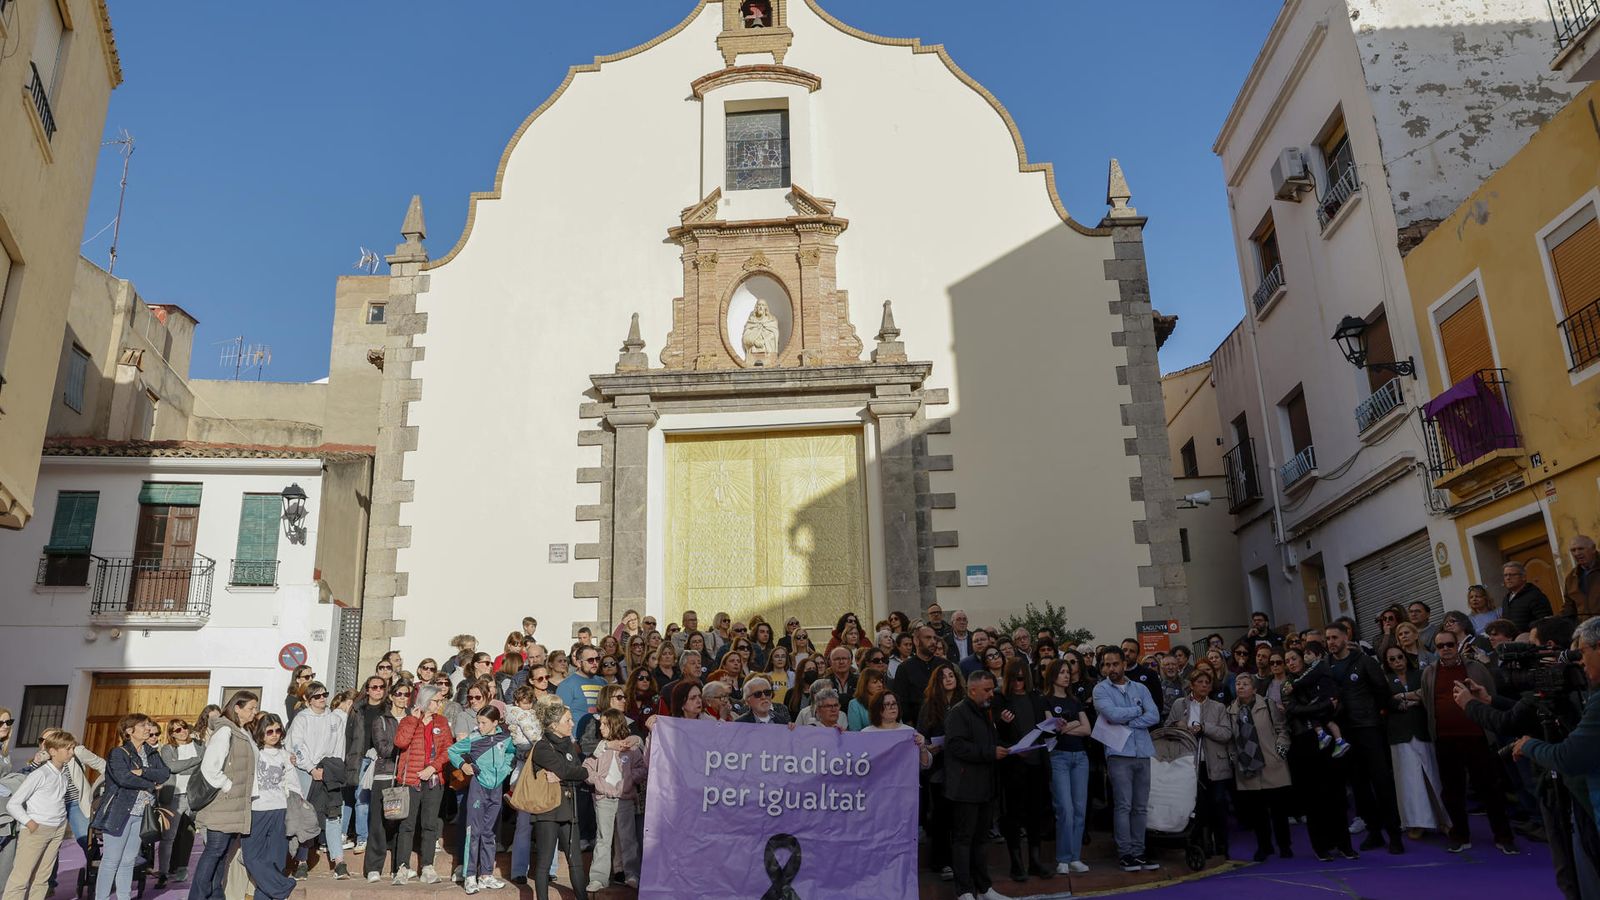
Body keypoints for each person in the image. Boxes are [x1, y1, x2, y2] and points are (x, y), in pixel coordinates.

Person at [1421, 630, 1516, 853]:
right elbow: (1428, 700)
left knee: (1490, 789)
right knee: (1452, 792)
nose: (1446, 649)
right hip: (1445, 740)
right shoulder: (1429, 672)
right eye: (1441, 646)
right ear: (1436, 649)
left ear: (1458, 645)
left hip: (1478, 738)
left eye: (1450, 644)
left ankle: (1504, 836)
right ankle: (1460, 835)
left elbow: (1489, 696)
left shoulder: (1476, 668)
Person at [1324, 622, 1404, 854]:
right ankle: (1374, 831)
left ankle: (1394, 834)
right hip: (1343, 731)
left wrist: (1376, 714)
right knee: (1359, 786)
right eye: (1328, 638)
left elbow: (1382, 690)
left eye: (1334, 637)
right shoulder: (1325, 666)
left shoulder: (1364, 661)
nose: (1331, 642)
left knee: (1381, 782)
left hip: (1368, 727)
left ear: (1345, 637)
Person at [1281, 647, 1355, 861]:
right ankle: (1321, 846)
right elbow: (1293, 710)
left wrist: (1323, 708)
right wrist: (1322, 707)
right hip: (1305, 743)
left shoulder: (1320, 677)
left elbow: (1336, 703)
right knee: (1314, 799)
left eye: (1294, 658)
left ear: (1303, 659)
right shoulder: (1288, 686)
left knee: (1337, 795)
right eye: (1287, 660)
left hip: (1330, 744)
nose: (1291, 662)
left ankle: (1344, 845)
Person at [943, 670, 1010, 900]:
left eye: (992, 689)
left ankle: (984, 888)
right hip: (965, 788)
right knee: (964, 840)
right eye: (987, 690)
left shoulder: (986, 712)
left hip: (985, 786)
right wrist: (989, 752)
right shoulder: (958, 713)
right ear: (972, 690)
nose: (992, 694)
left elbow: (988, 740)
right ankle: (964, 891)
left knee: (981, 840)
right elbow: (955, 745)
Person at [1093, 646, 1160, 872]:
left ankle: (1139, 852)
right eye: (1106, 664)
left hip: (1143, 752)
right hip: (1119, 753)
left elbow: (1154, 715)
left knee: (1140, 806)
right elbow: (1111, 715)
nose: (1110, 668)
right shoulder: (1100, 690)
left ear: (1124, 664)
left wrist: (1129, 720)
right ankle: (1126, 853)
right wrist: (1137, 711)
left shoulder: (1140, 687)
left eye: (1114, 664)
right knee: (1123, 805)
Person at [90, 714, 171, 900]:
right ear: (129, 731)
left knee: (128, 860)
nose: (148, 729)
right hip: (119, 811)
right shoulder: (118, 753)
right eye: (143, 725)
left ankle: (124, 897)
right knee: (111, 860)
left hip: (142, 812)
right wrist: (150, 784)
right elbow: (123, 778)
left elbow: (165, 773)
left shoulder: (151, 752)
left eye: (148, 725)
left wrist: (142, 772)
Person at [190, 692, 259, 900]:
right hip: (224, 804)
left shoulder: (242, 731)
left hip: (236, 805)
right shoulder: (225, 731)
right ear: (237, 708)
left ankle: (215, 895)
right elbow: (210, 768)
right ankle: (198, 896)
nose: (254, 713)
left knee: (222, 855)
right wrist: (228, 786)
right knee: (214, 851)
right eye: (251, 708)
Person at [993, 659, 1053, 882]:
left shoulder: (1035, 697)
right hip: (1013, 765)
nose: (1018, 683)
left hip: (1036, 762)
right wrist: (1003, 723)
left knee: (1035, 814)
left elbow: (1042, 727)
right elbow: (996, 732)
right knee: (1013, 815)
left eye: (1022, 678)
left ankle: (1035, 860)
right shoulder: (1000, 698)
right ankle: (1016, 862)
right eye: (1014, 678)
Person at [1164, 670, 1232, 858]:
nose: (1204, 685)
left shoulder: (1218, 707)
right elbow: (1167, 728)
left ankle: (1222, 844)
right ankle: (1201, 844)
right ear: (1191, 685)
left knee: (1218, 803)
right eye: (1199, 682)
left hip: (1214, 763)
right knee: (1196, 806)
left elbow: (1227, 733)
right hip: (1190, 765)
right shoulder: (1180, 704)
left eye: (1207, 682)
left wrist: (1205, 728)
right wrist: (1179, 724)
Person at [447, 704, 514, 894]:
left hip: (496, 789)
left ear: (495, 722)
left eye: (484, 723)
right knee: (473, 832)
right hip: (478, 789)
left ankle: (486, 874)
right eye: (478, 722)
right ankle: (469, 876)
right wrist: (463, 765)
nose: (479, 726)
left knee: (490, 833)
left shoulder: (505, 737)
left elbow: (511, 753)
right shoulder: (474, 738)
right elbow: (452, 751)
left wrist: (505, 769)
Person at [530, 697, 592, 900]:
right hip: (548, 810)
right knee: (544, 863)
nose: (572, 724)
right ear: (554, 725)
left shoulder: (568, 745)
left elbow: (581, 772)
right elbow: (568, 769)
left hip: (568, 805)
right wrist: (568, 772)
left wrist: (565, 774)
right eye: (568, 720)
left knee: (576, 861)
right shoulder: (542, 746)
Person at [1381, 646, 1446, 838]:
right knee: (1409, 782)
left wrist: (1402, 697)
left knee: (1434, 776)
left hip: (1423, 731)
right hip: (1399, 735)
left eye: (1399, 657)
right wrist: (1414, 697)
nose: (1396, 662)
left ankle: (1444, 819)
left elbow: (1427, 694)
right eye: (1391, 659)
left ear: (1406, 658)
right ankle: (1416, 823)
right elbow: (1385, 702)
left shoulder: (1420, 674)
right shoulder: (1384, 681)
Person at [389, 683, 452, 884]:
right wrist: (413, 721)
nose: (439, 704)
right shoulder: (409, 719)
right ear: (425, 700)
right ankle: (402, 867)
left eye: (440, 701)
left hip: (433, 779)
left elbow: (448, 750)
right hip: (411, 780)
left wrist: (433, 768)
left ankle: (427, 866)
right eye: (436, 701)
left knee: (429, 824)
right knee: (407, 825)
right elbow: (400, 743)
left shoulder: (441, 722)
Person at [285, 681, 348, 879]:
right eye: (317, 696)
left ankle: (339, 861)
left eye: (324, 695)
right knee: (307, 816)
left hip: (328, 771)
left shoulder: (335, 719)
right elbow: (297, 745)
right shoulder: (302, 719)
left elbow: (339, 747)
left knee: (333, 814)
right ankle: (302, 861)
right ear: (307, 699)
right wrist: (311, 768)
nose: (322, 699)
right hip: (306, 772)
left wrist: (332, 769)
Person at [4, 730, 77, 900]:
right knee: (20, 878)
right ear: (53, 751)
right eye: (68, 749)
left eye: (73, 748)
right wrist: (30, 823)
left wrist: (61, 823)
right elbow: (13, 804)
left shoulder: (63, 776)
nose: (72, 752)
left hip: (57, 829)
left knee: (42, 878)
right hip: (37, 829)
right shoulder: (39, 774)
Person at [1229, 674, 1292, 861]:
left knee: (1279, 811)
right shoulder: (1231, 710)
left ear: (1254, 689)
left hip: (1272, 763)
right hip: (1248, 766)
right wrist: (1235, 757)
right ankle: (1264, 846)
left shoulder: (1267, 704)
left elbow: (1282, 728)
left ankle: (1284, 845)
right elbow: (1231, 739)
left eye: (1245, 684)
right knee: (1258, 812)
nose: (1240, 687)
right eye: (1238, 684)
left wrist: (1280, 749)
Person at [582, 710, 646, 893]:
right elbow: (587, 768)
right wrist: (599, 784)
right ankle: (598, 878)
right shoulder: (601, 747)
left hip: (625, 800)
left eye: (605, 724)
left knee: (628, 838)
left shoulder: (631, 748)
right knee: (603, 839)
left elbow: (642, 769)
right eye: (600, 723)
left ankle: (631, 874)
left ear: (614, 725)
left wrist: (628, 781)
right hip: (604, 799)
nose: (600, 727)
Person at [1041, 658, 1092, 875]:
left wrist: (1067, 725)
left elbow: (1087, 729)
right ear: (1052, 675)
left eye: (1067, 672)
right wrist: (1073, 725)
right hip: (1059, 757)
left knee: (1080, 809)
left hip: (1080, 757)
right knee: (1065, 809)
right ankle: (1063, 858)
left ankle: (1075, 857)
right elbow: (1053, 729)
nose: (1066, 675)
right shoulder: (1045, 700)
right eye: (1061, 672)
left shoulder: (1074, 700)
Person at [361, 682, 406, 883]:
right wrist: (404, 743)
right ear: (391, 696)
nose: (402, 697)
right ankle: (373, 867)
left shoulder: (412, 719)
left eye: (406, 694)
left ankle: (399, 866)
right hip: (384, 775)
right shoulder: (382, 720)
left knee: (400, 821)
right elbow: (383, 749)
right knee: (378, 822)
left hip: (405, 776)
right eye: (398, 694)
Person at [156, 719, 201, 885]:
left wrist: (182, 765)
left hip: (194, 795)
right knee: (169, 836)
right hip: (174, 796)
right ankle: (163, 872)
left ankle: (182, 868)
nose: (181, 732)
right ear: (171, 734)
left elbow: (203, 765)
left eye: (183, 728)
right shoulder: (168, 749)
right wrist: (197, 761)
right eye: (176, 730)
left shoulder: (199, 745)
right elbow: (171, 767)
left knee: (189, 835)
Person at [1502, 561, 1554, 632]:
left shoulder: (1535, 596)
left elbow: (1545, 622)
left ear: (1523, 577)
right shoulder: (1506, 599)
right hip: (1511, 641)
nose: (1508, 578)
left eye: (1512, 575)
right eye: (1505, 575)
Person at [1563, 536, 1600, 620]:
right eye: (1573, 550)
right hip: (1586, 629)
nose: (1577, 553)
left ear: (1593, 548)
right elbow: (1569, 608)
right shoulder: (1571, 578)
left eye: (1581, 549)